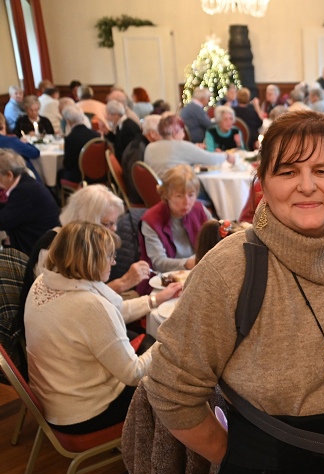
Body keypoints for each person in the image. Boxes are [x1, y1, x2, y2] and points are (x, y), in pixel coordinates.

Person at [143, 110, 324, 474]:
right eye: (288, 171)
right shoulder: (229, 270)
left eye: (323, 170)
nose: (307, 185)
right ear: (262, 180)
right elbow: (170, 389)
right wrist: (241, 455)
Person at [24, 221, 169, 434]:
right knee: (170, 377)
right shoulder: (89, 305)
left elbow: (113, 311)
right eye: (110, 256)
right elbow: (134, 373)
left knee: (147, 344)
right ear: (91, 260)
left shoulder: (44, 282)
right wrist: (169, 338)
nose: (114, 262)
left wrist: (156, 299)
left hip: (53, 398)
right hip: (83, 413)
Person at [20, 184, 182, 336]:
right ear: (86, 223)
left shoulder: (83, 248)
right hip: (55, 335)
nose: (114, 229)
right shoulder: (57, 250)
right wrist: (123, 283)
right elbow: (76, 308)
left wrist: (156, 297)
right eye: (108, 224)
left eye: (115, 222)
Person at [138, 164, 211, 276]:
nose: (186, 202)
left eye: (191, 195)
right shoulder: (151, 220)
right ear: (167, 195)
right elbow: (159, 263)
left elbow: (216, 240)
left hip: (199, 273)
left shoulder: (200, 210)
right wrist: (189, 263)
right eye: (179, 196)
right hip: (163, 278)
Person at [0, 149, 60, 256]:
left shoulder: (24, 191)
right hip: (40, 237)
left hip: (38, 248)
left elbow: (3, 222)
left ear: (9, 175)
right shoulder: (25, 181)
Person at [143, 115, 231, 178]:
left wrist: (194, 149)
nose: (184, 135)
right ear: (175, 133)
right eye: (182, 131)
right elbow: (210, 159)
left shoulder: (149, 147)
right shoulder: (181, 146)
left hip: (158, 191)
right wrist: (226, 155)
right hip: (180, 191)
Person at [121, 114, 161, 205]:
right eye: (162, 132)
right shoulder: (137, 149)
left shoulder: (144, 144)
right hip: (141, 197)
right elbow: (136, 181)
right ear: (152, 134)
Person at [59, 105, 101, 185]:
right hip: (98, 174)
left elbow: (68, 164)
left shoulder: (71, 138)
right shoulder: (96, 135)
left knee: (59, 174)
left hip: (80, 177)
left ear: (68, 121)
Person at [0, 114, 42, 181]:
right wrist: (25, 143)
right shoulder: (10, 141)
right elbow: (35, 153)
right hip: (18, 180)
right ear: (2, 125)